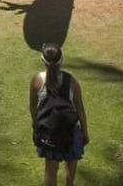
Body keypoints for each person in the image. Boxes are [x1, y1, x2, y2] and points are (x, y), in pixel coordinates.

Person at [31, 44, 89, 185]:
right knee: (70, 171)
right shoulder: (71, 81)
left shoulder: (37, 80)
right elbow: (80, 109)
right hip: (71, 131)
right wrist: (85, 133)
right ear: (61, 60)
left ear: (43, 60)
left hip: (48, 132)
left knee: (50, 170)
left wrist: (36, 127)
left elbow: (33, 107)